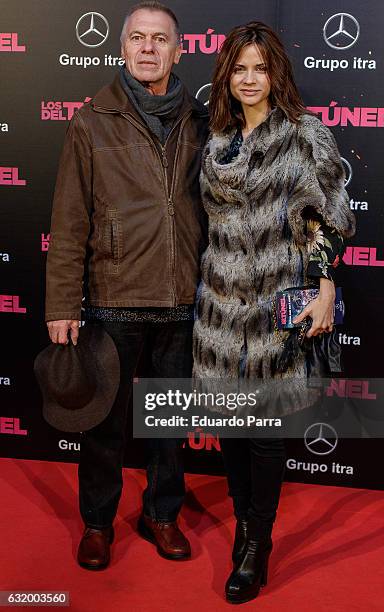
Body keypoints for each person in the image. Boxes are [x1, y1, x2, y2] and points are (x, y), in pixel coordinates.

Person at [193, 21, 355, 604]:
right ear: (226, 76)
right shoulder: (214, 139)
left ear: (276, 73)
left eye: (260, 68)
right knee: (233, 432)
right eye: (240, 69)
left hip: (271, 314)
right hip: (216, 311)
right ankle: (242, 522)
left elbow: (327, 216)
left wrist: (326, 284)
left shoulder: (304, 135)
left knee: (263, 436)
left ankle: (257, 545)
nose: (250, 79)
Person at [45, 2, 208, 570]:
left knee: (168, 425)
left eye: (159, 39)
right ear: (121, 47)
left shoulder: (202, 119)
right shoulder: (91, 120)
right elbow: (69, 221)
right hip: (114, 297)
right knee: (104, 425)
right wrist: (62, 303)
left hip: (182, 299)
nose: (147, 48)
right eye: (137, 38)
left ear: (178, 50)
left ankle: (161, 515)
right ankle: (97, 523)